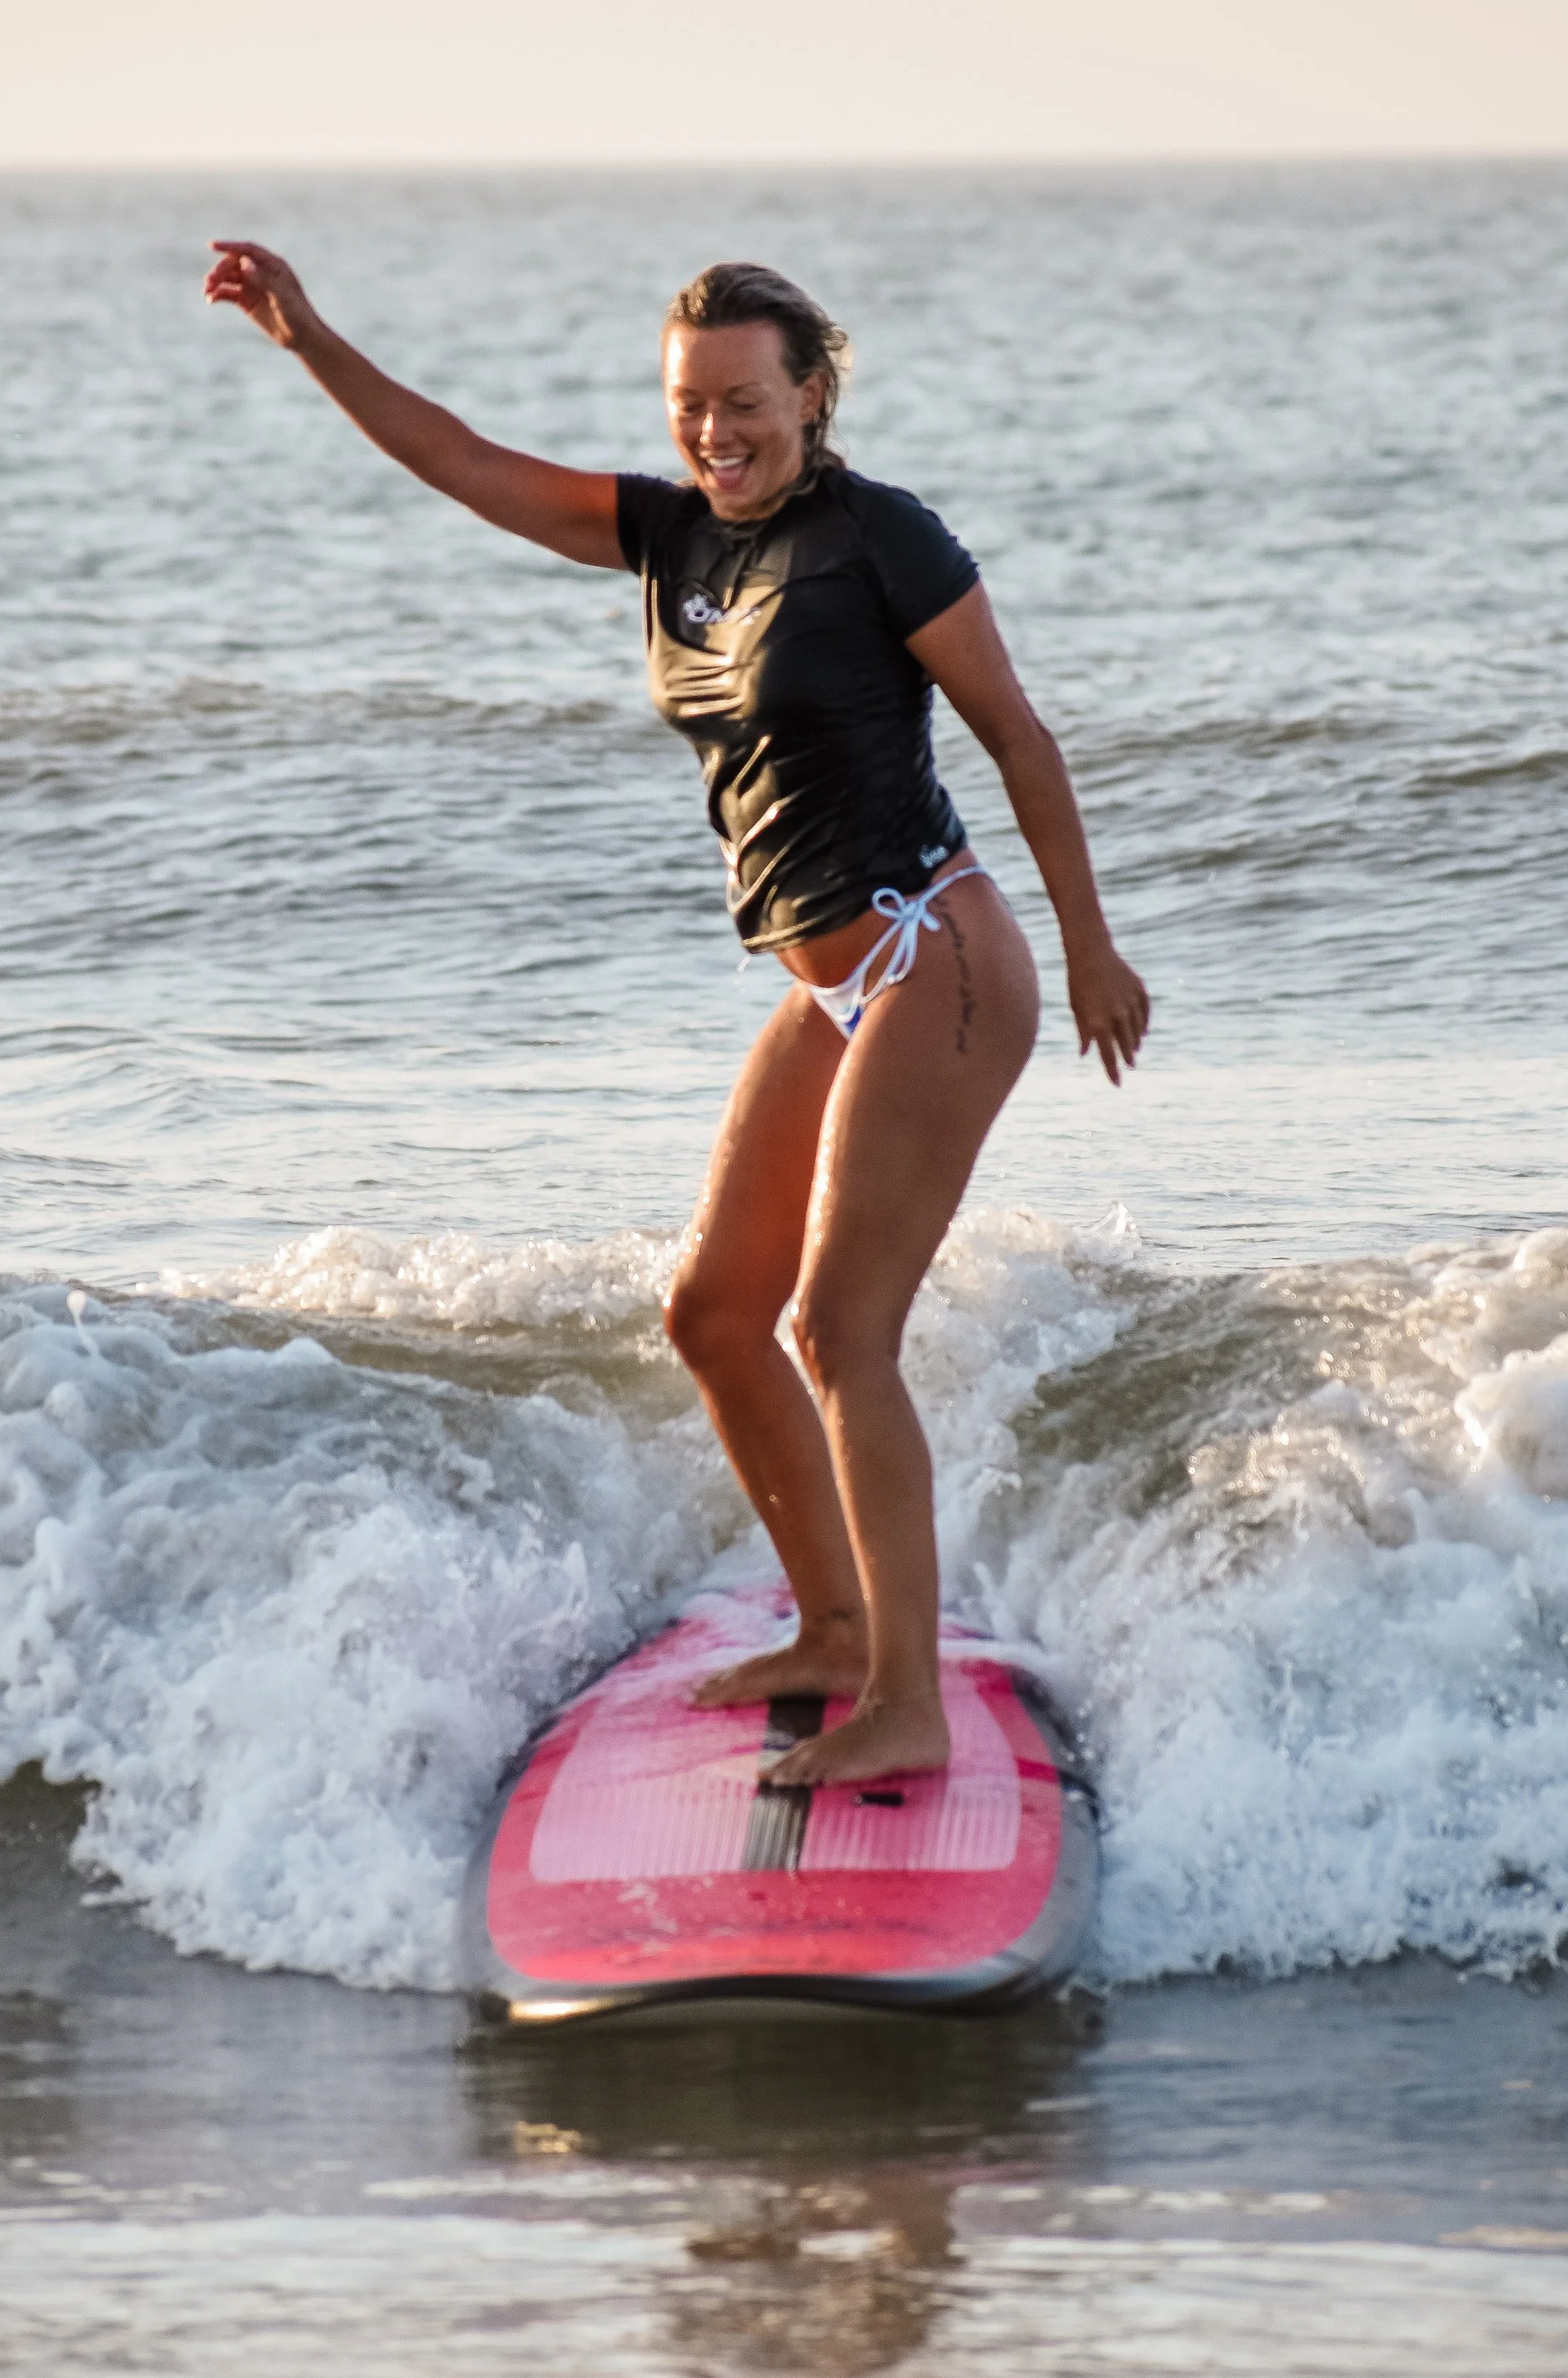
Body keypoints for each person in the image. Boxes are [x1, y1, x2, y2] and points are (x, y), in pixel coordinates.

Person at [204, 242, 1149, 1787]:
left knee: (843, 1328)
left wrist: (1095, 946)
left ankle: (905, 1696)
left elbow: (1020, 740)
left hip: (937, 954)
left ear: (813, 394)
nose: (715, 430)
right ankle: (837, 1627)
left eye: (746, 401)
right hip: (828, 979)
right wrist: (310, 338)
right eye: (689, 404)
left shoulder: (880, 539)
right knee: (714, 1313)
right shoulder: (667, 540)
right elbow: (457, 458)